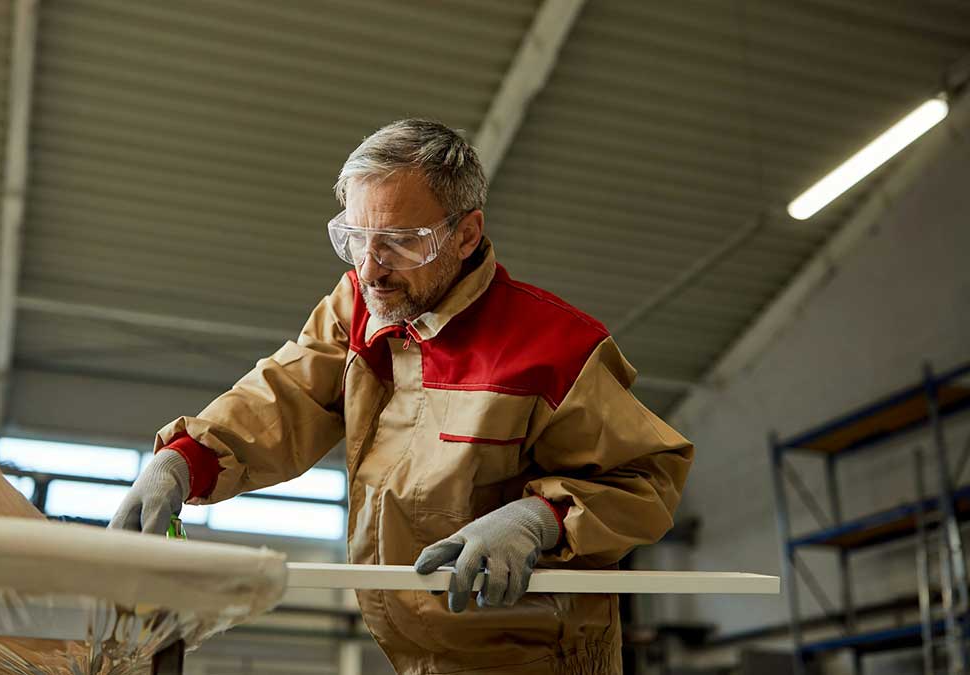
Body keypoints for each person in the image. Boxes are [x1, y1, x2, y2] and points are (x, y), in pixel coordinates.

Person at [110, 119, 694, 674]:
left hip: (537, 658)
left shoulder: (558, 349)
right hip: (411, 652)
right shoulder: (361, 307)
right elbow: (288, 392)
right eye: (355, 239)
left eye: (400, 243)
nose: (371, 269)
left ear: (466, 234)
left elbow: (645, 478)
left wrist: (539, 519)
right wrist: (186, 457)